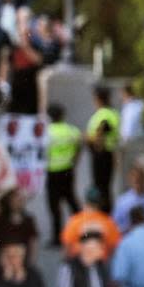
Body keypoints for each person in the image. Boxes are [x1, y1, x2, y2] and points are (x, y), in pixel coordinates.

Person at [44, 103, 83, 243]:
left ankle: (57, 237)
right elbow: (80, 143)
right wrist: (75, 160)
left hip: (52, 172)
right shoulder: (71, 130)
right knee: (71, 200)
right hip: (68, 170)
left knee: (54, 205)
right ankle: (82, 230)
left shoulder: (46, 132)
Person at [60, 187, 121, 259]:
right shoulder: (109, 223)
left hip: (78, 264)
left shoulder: (74, 221)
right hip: (101, 264)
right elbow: (114, 247)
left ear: (86, 202)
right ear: (101, 203)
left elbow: (67, 247)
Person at [86, 86, 120, 210]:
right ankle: (106, 213)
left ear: (98, 99)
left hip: (101, 155)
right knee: (105, 187)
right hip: (107, 154)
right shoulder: (113, 113)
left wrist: (88, 138)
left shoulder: (104, 114)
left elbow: (102, 131)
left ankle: (103, 214)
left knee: (101, 188)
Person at [111, 164, 144, 232]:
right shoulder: (122, 201)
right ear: (130, 180)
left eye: (140, 179)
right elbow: (114, 225)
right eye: (135, 180)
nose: (137, 183)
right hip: (131, 239)